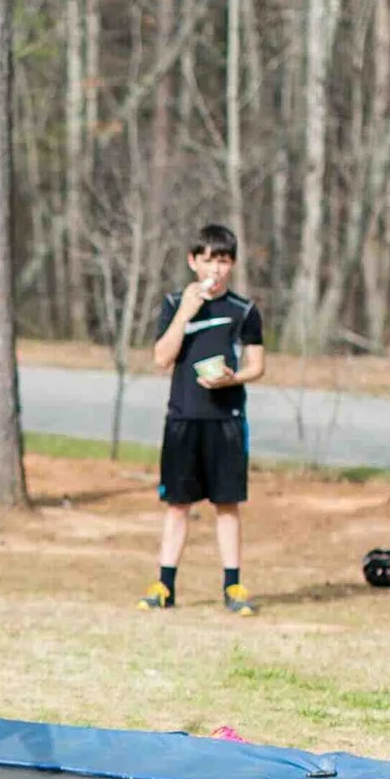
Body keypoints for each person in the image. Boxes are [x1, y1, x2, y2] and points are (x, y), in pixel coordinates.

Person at [142, 222, 265, 615]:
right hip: (182, 417)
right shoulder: (174, 303)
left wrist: (235, 377)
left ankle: (233, 586)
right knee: (177, 505)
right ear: (193, 261)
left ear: (232, 265)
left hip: (226, 419)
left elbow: (258, 365)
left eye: (224, 261)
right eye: (208, 260)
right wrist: (187, 312)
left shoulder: (243, 310)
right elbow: (161, 359)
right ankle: (165, 585)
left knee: (226, 504)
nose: (216, 269)